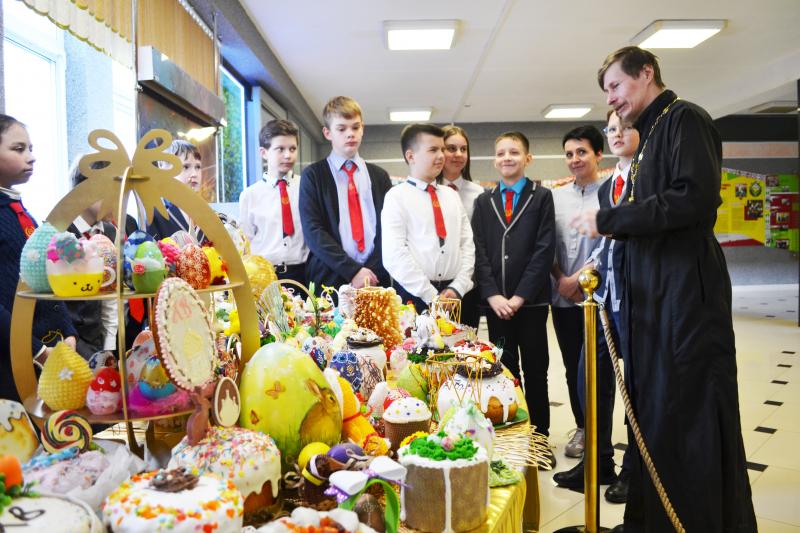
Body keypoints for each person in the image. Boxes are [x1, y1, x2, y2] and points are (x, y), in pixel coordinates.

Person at [573, 46, 756, 532]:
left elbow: (692, 199)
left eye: (616, 85)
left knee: (687, 415)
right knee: (655, 416)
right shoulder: (648, 135)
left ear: (647, 73)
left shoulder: (685, 120)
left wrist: (609, 219)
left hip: (685, 302)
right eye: (607, 91)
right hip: (652, 303)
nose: (611, 99)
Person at [553, 110, 639, 495]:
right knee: (589, 379)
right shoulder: (611, 187)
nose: (618, 133)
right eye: (612, 128)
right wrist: (581, 274)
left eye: (626, 127)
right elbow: (606, 244)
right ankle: (598, 461)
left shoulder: (643, 179)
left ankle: (634, 472)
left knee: (636, 388)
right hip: (603, 302)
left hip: (636, 302)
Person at [471, 131, 556, 468]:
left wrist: (519, 296)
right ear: (494, 160)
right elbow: (479, 251)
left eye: (514, 152)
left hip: (530, 304)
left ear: (527, 158)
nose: (507, 158)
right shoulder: (484, 201)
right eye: (501, 153)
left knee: (536, 371)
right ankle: (511, 438)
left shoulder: (542, 197)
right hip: (496, 307)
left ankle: (540, 438)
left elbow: (544, 249)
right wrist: (492, 295)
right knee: (505, 372)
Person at [0, 115, 77, 402]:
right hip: (11, 359)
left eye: (30, 148)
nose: (31, 157)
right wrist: (36, 350)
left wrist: (67, 332)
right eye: (18, 149)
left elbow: (45, 277)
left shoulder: (21, 212)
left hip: (50, 347)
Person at [551, 125, 605, 459]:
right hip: (561, 297)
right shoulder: (555, 197)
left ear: (598, 154)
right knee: (573, 366)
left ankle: (601, 431)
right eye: (569, 154)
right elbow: (546, 244)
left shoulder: (610, 195)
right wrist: (562, 280)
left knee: (598, 368)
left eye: (582, 152)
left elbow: (610, 245)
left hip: (597, 298)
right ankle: (583, 426)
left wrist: (580, 279)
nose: (575, 159)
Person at [299, 96, 392, 290]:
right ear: (327, 133)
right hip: (330, 278)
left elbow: (389, 228)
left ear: (362, 128)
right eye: (341, 129)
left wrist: (369, 272)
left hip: (375, 277)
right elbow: (313, 231)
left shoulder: (380, 176)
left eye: (355, 127)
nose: (350, 134)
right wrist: (353, 271)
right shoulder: (313, 176)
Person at [381, 124, 474, 313]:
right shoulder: (396, 196)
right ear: (411, 156)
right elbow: (394, 255)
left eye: (442, 149)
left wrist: (458, 286)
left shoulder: (451, 195)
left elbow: (467, 245)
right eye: (433, 150)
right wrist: (430, 295)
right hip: (414, 295)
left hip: (454, 295)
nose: (441, 156)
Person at [65, 159, 137, 359]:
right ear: (87, 191)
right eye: (113, 191)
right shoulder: (62, 234)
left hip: (109, 342)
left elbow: (111, 296)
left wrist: (110, 348)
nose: (119, 200)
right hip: (74, 344)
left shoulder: (111, 231)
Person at [239, 119, 308, 285]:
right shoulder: (250, 195)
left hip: (304, 273)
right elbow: (245, 243)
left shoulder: (306, 187)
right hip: (265, 275)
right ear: (264, 153)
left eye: (292, 149)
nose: (288, 155)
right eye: (280, 149)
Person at [438, 125, 484, 328]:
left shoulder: (479, 194)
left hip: (468, 284)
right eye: (451, 148)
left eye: (463, 149)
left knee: (467, 342)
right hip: (435, 283)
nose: (458, 154)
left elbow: (480, 241)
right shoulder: (428, 191)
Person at [147, 139, 206, 243]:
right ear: (164, 170)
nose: (194, 174)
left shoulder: (206, 213)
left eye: (197, 167)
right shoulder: (155, 215)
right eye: (186, 167)